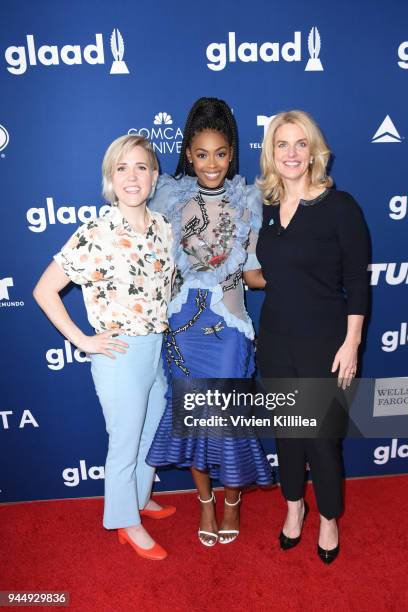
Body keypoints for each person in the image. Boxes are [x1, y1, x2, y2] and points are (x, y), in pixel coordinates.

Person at [33, 135, 175, 561]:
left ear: (154, 175)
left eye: (141, 167)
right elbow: (44, 290)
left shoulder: (164, 227)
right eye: (122, 168)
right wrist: (82, 340)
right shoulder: (96, 231)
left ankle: (137, 499)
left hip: (157, 348)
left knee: (151, 435)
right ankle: (123, 521)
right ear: (111, 179)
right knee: (126, 441)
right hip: (119, 354)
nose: (133, 177)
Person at [244, 110, 369, 563]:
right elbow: (260, 274)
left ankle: (330, 517)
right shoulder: (268, 209)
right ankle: (294, 508)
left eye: (300, 144)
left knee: (321, 438)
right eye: (282, 144)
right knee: (288, 435)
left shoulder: (341, 208)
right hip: (276, 338)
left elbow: (357, 280)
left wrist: (352, 343)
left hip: (326, 341)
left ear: (314, 151)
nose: (292, 153)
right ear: (271, 155)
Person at [146, 97, 272, 547]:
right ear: (188, 154)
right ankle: (205, 504)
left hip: (230, 326)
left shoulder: (249, 200)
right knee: (195, 417)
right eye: (202, 155)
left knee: (230, 420)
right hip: (181, 324)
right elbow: (150, 260)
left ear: (232, 153)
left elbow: (255, 274)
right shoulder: (168, 199)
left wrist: (297, 267)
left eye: (220, 154)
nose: (212, 164)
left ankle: (232, 501)